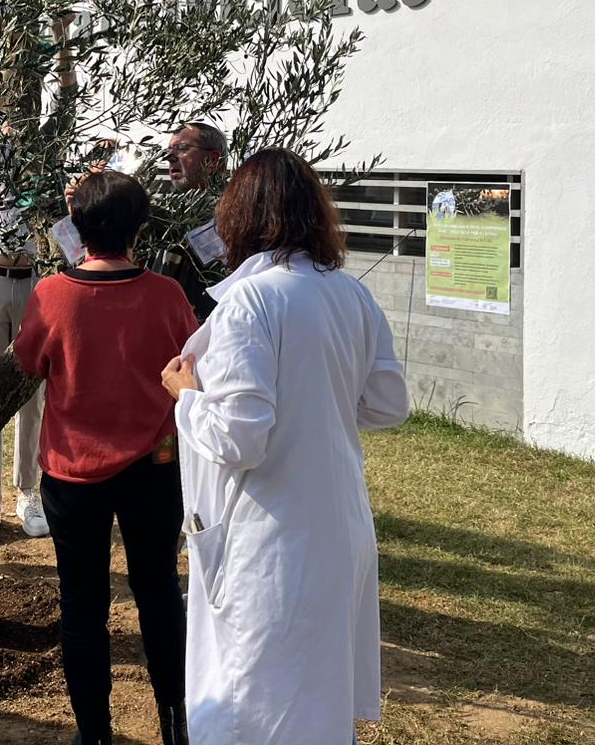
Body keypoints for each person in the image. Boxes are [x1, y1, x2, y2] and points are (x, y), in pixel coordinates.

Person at [161, 148, 410, 745]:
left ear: (240, 216)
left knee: (255, 704)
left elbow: (239, 436)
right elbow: (387, 403)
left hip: (271, 539)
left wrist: (186, 396)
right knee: (317, 700)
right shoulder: (349, 293)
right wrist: (318, 398)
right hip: (339, 529)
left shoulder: (251, 300)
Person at [15, 170, 197, 745]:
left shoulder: (52, 294)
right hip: (153, 467)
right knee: (159, 591)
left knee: (83, 604)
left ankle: (94, 732)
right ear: (140, 228)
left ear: (78, 227)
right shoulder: (166, 296)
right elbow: (190, 364)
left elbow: (29, 361)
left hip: (72, 470)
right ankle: (176, 721)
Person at [0, 15, 76, 546]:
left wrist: (62, 41)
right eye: (6, 92)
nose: (12, 103)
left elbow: (68, 102)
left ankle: (26, 490)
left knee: (31, 392)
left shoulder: (44, 149)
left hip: (32, 279)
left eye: (20, 94)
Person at [153, 121, 228, 322]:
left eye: (182, 148)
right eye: (169, 151)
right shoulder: (171, 212)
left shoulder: (231, 213)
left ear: (212, 160)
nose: (170, 157)